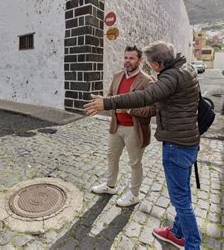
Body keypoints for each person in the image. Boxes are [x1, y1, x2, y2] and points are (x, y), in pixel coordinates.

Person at [84, 41, 201, 249]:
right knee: (182, 194)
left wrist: (109, 103)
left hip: (177, 144)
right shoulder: (186, 69)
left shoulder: (169, 77)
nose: (128, 61)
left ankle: (192, 245)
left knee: (181, 200)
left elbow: (146, 99)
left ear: (156, 64)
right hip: (185, 140)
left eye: (145, 61)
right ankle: (177, 233)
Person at [91, 45, 155, 207]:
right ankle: (110, 186)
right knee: (112, 157)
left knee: (134, 163)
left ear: (139, 60)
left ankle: (134, 194)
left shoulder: (147, 81)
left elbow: (152, 109)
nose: (127, 61)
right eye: (126, 57)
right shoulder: (117, 76)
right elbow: (111, 97)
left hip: (135, 129)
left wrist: (128, 109)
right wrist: (106, 102)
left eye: (131, 58)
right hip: (116, 126)